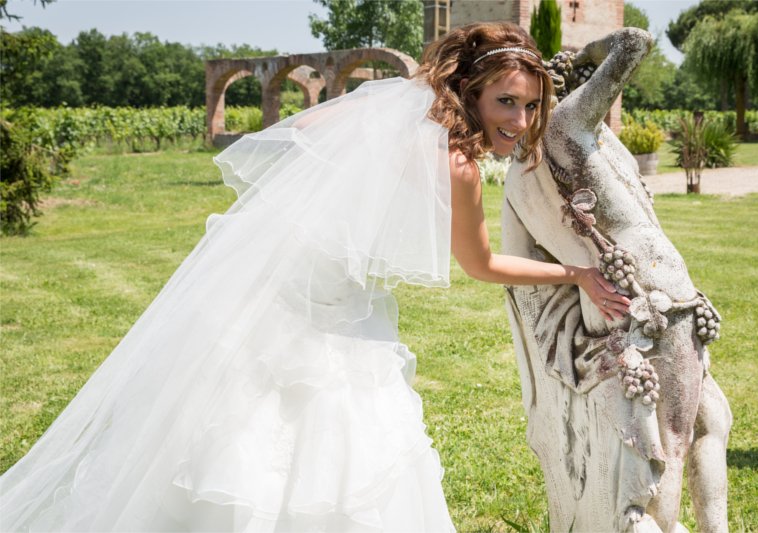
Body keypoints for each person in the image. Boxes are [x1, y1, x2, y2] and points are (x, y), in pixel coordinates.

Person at [0, 22, 628, 532]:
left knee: (231, 434)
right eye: (506, 102)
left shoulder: (394, 114)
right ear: (471, 93)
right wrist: (575, 270)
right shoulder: (459, 161)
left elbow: (298, 132)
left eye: (529, 106)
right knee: (337, 438)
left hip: (270, 290)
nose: (519, 120)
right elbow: (480, 264)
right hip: (328, 313)